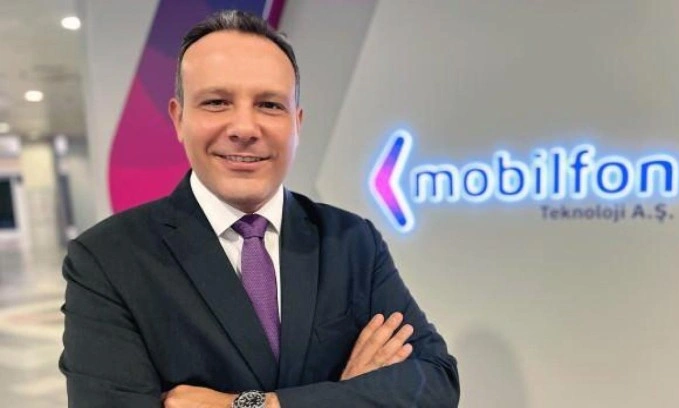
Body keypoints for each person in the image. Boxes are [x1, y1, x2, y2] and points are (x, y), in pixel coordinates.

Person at [60, 10, 459, 408]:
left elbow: (436, 381)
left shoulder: (352, 241)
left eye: (269, 105)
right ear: (179, 119)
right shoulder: (107, 260)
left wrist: (257, 405)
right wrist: (348, 393)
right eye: (217, 102)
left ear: (297, 123)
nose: (245, 128)